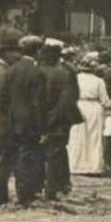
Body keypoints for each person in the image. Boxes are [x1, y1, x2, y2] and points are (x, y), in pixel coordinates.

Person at [0, 30, 46, 207]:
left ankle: (6, 194)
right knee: (28, 157)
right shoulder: (36, 73)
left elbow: (5, 98)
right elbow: (37, 103)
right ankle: (24, 195)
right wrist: (41, 126)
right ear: (37, 51)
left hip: (11, 119)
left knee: (11, 156)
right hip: (29, 121)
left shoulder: (11, 71)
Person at [41, 39, 81, 198]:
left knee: (38, 153)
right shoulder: (65, 73)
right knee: (56, 152)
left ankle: (41, 185)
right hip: (58, 121)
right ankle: (54, 187)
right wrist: (53, 118)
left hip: (38, 119)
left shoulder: (37, 72)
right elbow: (69, 99)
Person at [68, 51, 111, 177]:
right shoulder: (99, 81)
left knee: (77, 136)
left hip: (78, 106)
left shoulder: (75, 79)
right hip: (94, 108)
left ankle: (75, 165)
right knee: (94, 137)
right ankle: (93, 166)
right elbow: (104, 100)